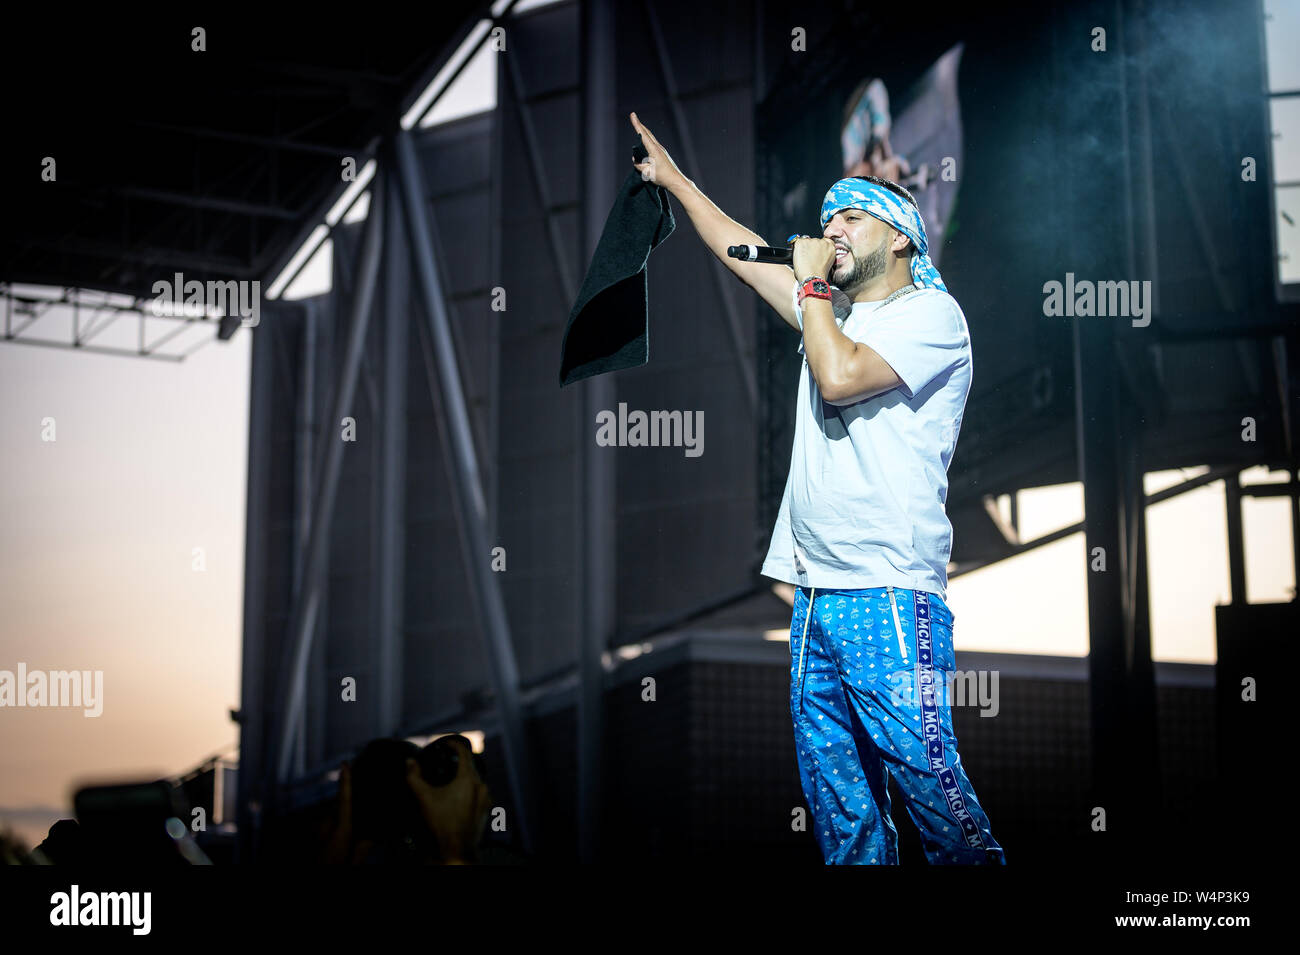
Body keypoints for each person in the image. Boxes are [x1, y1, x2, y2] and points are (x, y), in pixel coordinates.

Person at [629, 111, 1004, 865]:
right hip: (814, 597)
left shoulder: (931, 316)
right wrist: (675, 182)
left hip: (888, 592)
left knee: (936, 796)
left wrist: (808, 282)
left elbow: (838, 379)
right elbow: (741, 248)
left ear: (900, 236)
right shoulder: (826, 314)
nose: (832, 228)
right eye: (825, 218)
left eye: (852, 217)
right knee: (845, 820)